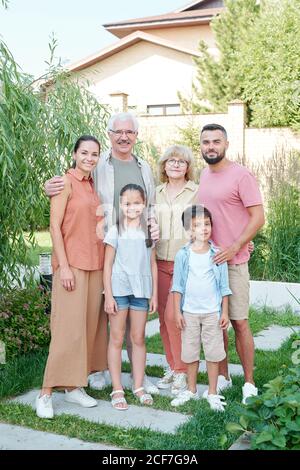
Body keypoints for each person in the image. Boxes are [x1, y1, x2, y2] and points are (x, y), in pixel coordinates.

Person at [45, 113, 159, 395]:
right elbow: (73, 183)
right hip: (105, 247)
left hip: (133, 248)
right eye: (118, 131)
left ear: (136, 135)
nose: (124, 136)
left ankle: (137, 377)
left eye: (129, 132)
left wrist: (152, 226)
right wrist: (49, 185)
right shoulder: (99, 165)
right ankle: (96, 371)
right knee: (108, 311)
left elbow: (152, 205)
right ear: (110, 134)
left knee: (131, 314)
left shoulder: (144, 167)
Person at [36, 135, 105, 419]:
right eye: (84, 153)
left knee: (89, 329)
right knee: (66, 330)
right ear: (75, 154)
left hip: (95, 265)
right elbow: (54, 227)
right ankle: (45, 393)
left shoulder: (92, 186)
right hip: (71, 266)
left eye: (95, 154)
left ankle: (74, 386)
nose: (89, 158)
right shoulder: (63, 183)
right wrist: (63, 266)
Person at [197, 123, 265, 404]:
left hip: (234, 263)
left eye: (216, 141)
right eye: (205, 142)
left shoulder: (241, 176)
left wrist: (236, 245)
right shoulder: (203, 174)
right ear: (200, 146)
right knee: (216, 324)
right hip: (208, 263)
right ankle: (223, 377)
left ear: (226, 144)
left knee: (239, 322)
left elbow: (258, 218)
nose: (210, 146)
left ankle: (249, 381)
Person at [170, 205, 231, 411]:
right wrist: (177, 311)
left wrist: (225, 312)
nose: (203, 229)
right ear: (189, 230)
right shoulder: (183, 256)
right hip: (189, 312)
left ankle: (212, 392)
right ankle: (192, 389)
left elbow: (224, 287)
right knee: (190, 351)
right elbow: (177, 286)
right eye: (197, 225)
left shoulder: (217, 255)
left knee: (213, 352)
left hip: (212, 312)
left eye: (207, 224)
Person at [103, 184, 158, 410]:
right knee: (116, 338)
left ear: (144, 204)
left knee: (138, 338)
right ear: (120, 204)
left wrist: (154, 293)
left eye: (137, 203)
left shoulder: (149, 231)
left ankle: (138, 385)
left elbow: (153, 264)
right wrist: (108, 294)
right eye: (127, 203)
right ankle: (117, 389)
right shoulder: (115, 230)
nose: (132, 207)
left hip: (141, 292)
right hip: (119, 289)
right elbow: (107, 264)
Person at [155, 145, 198, 395]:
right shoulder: (156, 192)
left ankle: (182, 371)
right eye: (171, 160)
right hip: (159, 261)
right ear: (164, 165)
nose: (175, 165)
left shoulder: (196, 192)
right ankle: (172, 366)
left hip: (185, 264)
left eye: (181, 161)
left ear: (188, 167)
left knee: (176, 318)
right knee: (163, 318)